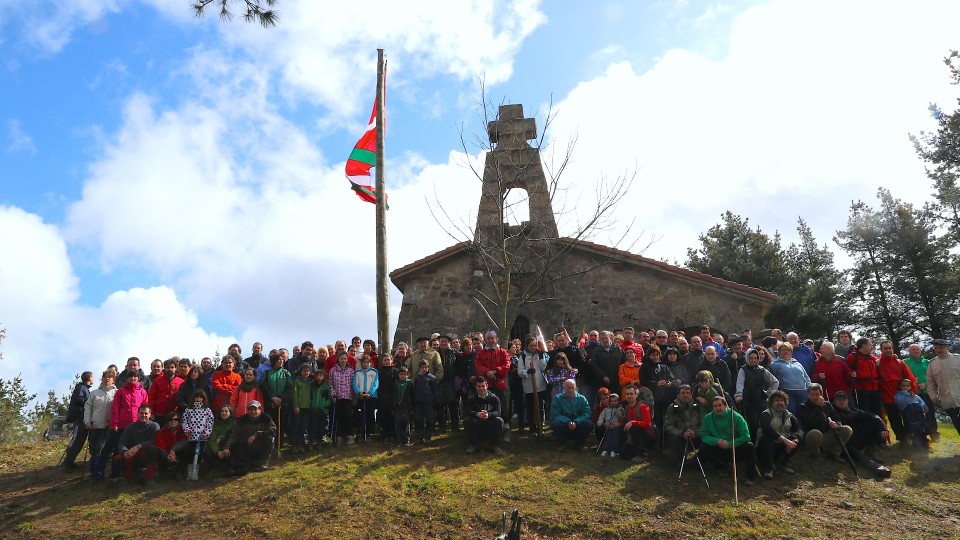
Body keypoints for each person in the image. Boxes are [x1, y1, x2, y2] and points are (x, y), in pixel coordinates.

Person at [831, 391, 892, 479]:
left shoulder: (854, 411)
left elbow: (873, 416)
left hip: (858, 440)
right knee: (856, 454)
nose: (841, 402)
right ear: (835, 401)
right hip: (846, 445)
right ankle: (876, 468)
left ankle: (870, 452)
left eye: (843, 400)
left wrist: (883, 428)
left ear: (847, 401)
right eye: (839, 400)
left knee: (872, 423)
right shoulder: (832, 412)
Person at [699, 396, 757, 486]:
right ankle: (720, 467)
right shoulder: (708, 418)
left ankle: (750, 477)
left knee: (749, 446)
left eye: (720, 405)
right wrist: (716, 441)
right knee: (704, 446)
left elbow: (746, 436)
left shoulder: (736, 417)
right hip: (718, 447)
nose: (718, 408)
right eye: (715, 406)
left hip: (735, 448)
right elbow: (704, 435)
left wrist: (730, 444)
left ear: (725, 405)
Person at [797, 383, 852, 460]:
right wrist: (818, 407)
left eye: (817, 394)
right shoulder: (803, 406)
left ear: (821, 394)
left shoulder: (827, 404)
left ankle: (833, 453)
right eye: (812, 394)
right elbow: (809, 423)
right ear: (808, 394)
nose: (814, 397)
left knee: (847, 429)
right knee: (814, 433)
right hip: (812, 436)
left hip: (827, 435)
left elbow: (837, 418)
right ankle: (815, 453)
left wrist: (836, 424)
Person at [735, 348, 779, 442]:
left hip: (761, 400)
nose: (754, 360)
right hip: (748, 401)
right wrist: (739, 395)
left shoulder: (762, 369)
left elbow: (775, 382)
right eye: (751, 358)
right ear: (747, 358)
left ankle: (765, 444)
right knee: (753, 425)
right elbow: (740, 384)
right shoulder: (743, 370)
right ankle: (752, 444)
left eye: (755, 358)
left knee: (765, 424)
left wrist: (768, 393)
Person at [877, 340, 917, 445]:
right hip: (887, 397)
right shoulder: (877, 363)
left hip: (903, 396)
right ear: (881, 350)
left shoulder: (899, 362)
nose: (888, 350)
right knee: (895, 420)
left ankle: (912, 437)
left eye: (890, 348)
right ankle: (903, 440)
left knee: (909, 417)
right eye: (885, 348)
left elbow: (909, 377)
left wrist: (913, 390)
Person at [474, 330, 511, 440]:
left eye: (492, 338)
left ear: (496, 339)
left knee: (502, 407)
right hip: (486, 386)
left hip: (499, 385)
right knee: (487, 408)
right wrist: (486, 372)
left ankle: (506, 429)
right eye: (488, 338)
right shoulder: (481, 353)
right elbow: (478, 365)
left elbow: (507, 365)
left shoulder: (503, 352)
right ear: (485, 339)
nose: (490, 340)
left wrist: (495, 371)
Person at [757, 391, 802, 479]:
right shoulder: (766, 414)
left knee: (796, 439)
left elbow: (799, 430)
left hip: (781, 445)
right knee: (767, 439)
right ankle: (768, 469)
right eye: (777, 401)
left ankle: (784, 463)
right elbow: (767, 429)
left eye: (782, 400)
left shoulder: (789, 415)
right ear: (771, 403)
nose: (780, 403)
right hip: (766, 447)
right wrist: (785, 440)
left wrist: (795, 440)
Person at [112, 404, 160, 485]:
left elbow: (154, 440)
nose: (143, 415)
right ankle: (130, 477)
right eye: (141, 413)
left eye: (146, 413)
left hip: (146, 453)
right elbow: (122, 443)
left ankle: (149, 478)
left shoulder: (154, 426)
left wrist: (139, 446)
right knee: (117, 459)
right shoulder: (130, 427)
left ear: (150, 415)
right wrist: (125, 452)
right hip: (132, 454)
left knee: (153, 449)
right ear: (137, 414)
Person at [226, 400, 277, 474]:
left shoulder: (266, 418)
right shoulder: (242, 419)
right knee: (237, 443)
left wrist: (257, 435)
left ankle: (263, 463)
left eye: (255, 409)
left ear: (260, 409)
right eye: (251, 409)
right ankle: (245, 464)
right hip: (248, 446)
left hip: (262, 446)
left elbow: (272, 431)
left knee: (270, 439)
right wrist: (226, 447)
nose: (253, 411)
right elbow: (234, 434)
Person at [84, 371, 118, 480]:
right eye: (105, 377)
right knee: (94, 450)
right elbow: (88, 407)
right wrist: (87, 421)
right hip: (95, 426)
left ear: (113, 379)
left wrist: (114, 423)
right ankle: (93, 472)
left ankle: (99, 473)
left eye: (109, 377)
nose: (107, 379)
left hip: (108, 427)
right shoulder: (94, 393)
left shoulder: (117, 393)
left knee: (103, 450)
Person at [903, 343, 938, 441]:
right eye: (913, 349)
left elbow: (935, 378)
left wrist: (925, 384)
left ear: (921, 350)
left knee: (929, 413)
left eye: (917, 349)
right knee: (913, 415)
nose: (915, 351)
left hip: (926, 392)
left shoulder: (927, 362)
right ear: (909, 351)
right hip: (911, 394)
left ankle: (933, 434)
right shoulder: (904, 362)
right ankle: (916, 436)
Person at [663, 384, 705, 460]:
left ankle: (700, 459)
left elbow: (704, 423)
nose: (685, 395)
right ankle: (681, 459)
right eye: (683, 393)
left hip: (696, 435)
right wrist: (682, 433)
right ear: (678, 395)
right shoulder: (672, 408)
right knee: (673, 440)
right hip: (680, 437)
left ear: (691, 394)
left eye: (687, 393)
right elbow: (668, 426)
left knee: (707, 441)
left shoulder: (698, 406)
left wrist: (695, 432)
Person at [927, 338, 960, 436]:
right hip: (948, 401)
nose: (938, 350)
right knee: (958, 425)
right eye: (936, 348)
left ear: (947, 347)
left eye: (940, 347)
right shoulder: (932, 364)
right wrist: (933, 396)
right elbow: (930, 383)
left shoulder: (957, 359)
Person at [62, 371, 94, 471]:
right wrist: (90, 401)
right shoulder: (81, 388)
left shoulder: (84, 388)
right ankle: (68, 462)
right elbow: (78, 399)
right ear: (89, 378)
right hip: (79, 417)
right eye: (93, 377)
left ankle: (70, 461)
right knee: (77, 440)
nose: (93, 379)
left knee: (80, 440)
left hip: (81, 417)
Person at [550, 379, 593, 451]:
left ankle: (579, 444)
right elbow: (555, 414)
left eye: (572, 388)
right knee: (555, 424)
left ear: (576, 388)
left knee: (589, 424)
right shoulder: (558, 398)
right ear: (564, 388)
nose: (570, 390)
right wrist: (568, 421)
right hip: (564, 425)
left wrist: (576, 421)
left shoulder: (582, 398)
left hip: (578, 424)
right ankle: (563, 443)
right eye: (568, 388)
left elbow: (587, 413)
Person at [464, 377, 504, 455]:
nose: (481, 388)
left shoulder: (494, 398)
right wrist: (476, 414)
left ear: (487, 385)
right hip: (477, 422)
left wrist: (489, 414)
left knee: (499, 420)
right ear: (475, 387)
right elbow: (467, 412)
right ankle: (473, 444)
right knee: (467, 420)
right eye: (479, 386)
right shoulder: (471, 399)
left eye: (483, 386)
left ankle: (495, 445)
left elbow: (498, 412)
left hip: (490, 421)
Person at [260, 351, 292, 446]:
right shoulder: (267, 373)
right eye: (279, 359)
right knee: (270, 424)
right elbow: (263, 386)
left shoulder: (286, 373)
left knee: (281, 425)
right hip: (270, 404)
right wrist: (272, 397)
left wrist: (281, 398)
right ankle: (270, 444)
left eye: (283, 359)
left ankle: (279, 444)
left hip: (283, 404)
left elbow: (290, 387)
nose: (282, 361)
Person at [769, 343, 811, 415]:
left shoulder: (797, 363)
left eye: (788, 350)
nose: (786, 352)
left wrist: (809, 387)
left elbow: (806, 376)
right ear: (779, 352)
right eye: (783, 350)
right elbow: (772, 380)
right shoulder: (774, 364)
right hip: (788, 392)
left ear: (791, 352)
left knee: (806, 413)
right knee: (792, 413)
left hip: (803, 391)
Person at [847, 337, 882, 418]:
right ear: (863, 345)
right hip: (861, 389)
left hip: (874, 388)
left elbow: (880, 361)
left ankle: (879, 429)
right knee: (864, 412)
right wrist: (851, 374)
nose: (872, 347)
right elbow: (846, 371)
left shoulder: (872, 357)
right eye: (870, 345)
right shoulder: (852, 357)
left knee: (877, 412)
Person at [110, 370, 149, 443]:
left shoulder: (143, 392)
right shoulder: (120, 391)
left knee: (135, 445)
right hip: (122, 424)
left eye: (135, 376)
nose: (133, 378)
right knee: (121, 445)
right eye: (130, 376)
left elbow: (145, 408)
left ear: (138, 378)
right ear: (127, 378)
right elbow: (115, 407)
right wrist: (114, 423)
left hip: (137, 423)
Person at [895, 379, 930, 451]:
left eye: (907, 386)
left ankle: (924, 445)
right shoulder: (899, 395)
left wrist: (924, 406)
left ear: (910, 386)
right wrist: (906, 394)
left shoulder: (914, 395)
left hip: (919, 416)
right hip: (908, 416)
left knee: (921, 430)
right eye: (903, 386)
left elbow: (921, 401)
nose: (905, 388)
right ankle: (914, 445)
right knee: (911, 430)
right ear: (900, 387)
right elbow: (899, 403)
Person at [329, 351, 355, 445]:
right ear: (338, 359)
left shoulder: (351, 370)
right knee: (339, 417)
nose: (343, 360)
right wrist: (333, 394)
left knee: (348, 416)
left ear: (347, 359)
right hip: (338, 397)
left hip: (347, 397)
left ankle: (350, 436)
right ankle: (339, 437)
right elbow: (330, 383)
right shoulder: (333, 370)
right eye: (341, 358)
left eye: (345, 358)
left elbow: (353, 384)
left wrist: (354, 397)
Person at [436, 335, 461, 432]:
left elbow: (459, 365)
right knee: (440, 405)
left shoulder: (454, 353)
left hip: (451, 382)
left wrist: (455, 375)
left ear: (448, 342)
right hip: (440, 382)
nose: (443, 343)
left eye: (445, 341)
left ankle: (455, 426)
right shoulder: (435, 353)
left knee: (453, 404)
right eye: (442, 341)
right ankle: (442, 426)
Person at [354, 354, 379, 442]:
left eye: (368, 362)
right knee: (360, 415)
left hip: (371, 397)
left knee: (370, 415)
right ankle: (360, 433)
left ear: (370, 363)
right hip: (361, 396)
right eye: (364, 362)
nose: (366, 364)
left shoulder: (374, 371)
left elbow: (375, 384)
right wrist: (358, 392)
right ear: (361, 363)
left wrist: (370, 393)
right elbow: (355, 384)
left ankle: (370, 433)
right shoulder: (357, 372)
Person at [289, 363, 314, 453]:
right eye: (304, 371)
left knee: (303, 426)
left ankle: (300, 443)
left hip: (307, 408)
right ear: (300, 372)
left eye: (307, 371)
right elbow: (294, 394)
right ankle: (293, 444)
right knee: (296, 425)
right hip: (298, 407)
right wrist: (296, 406)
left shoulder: (310, 382)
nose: (306, 373)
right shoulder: (297, 381)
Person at [590, 331, 624, 396]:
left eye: (606, 338)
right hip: (602, 381)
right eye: (602, 339)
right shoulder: (596, 351)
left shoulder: (618, 349)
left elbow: (623, 363)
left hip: (616, 381)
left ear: (610, 338)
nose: (604, 340)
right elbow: (594, 366)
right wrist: (603, 376)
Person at [413, 359, 439, 444]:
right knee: (418, 420)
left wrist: (434, 402)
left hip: (429, 402)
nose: (424, 369)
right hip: (419, 402)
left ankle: (428, 436)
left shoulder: (432, 378)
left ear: (428, 367)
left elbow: (435, 391)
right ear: (419, 368)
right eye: (422, 367)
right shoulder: (417, 378)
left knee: (430, 420)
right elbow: (415, 389)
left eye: (425, 367)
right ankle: (419, 437)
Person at [204, 404, 236, 473]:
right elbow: (211, 440)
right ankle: (214, 466)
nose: (223, 413)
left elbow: (233, 435)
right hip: (217, 448)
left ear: (230, 413)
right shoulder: (215, 423)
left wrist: (221, 437)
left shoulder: (234, 423)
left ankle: (230, 467)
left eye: (226, 411)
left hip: (227, 447)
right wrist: (217, 451)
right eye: (222, 411)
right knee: (205, 450)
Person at [308, 369, 331, 449]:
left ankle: (319, 441)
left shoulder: (326, 386)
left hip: (322, 410)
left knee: (321, 426)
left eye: (321, 376)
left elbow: (328, 398)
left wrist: (325, 405)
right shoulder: (312, 385)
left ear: (324, 377)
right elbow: (309, 396)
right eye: (317, 375)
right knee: (312, 425)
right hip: (313, 410)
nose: (319, 377)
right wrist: (310, 404)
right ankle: (311, 441)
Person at [596, 393, 624, 457]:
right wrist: (600, 422)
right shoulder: (606, 409)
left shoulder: (620, 409)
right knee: (607, 438)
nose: (613, 402)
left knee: (615, 438)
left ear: (618, 401)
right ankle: (606, 449)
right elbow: (602, 416)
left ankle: (613, 450)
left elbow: (622, 417)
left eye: (615, 401)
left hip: (616, 427)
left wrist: (617, 412)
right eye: (611, 401)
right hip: (608, 426)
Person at [377, 354, 397, 444]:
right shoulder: (379, 372)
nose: (386, 361)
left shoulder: (396, 371)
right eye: (385, 360)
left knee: (392, 417)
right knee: (383, 417)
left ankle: (393, 435)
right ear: (382, 361)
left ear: (391, 360)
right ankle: (385, 436)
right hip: (382, 398)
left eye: (388, 360)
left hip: (393, 398)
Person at [394, 366, 414, 447]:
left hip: (406, 407)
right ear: (398, 375)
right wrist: (393, 406)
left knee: (406, 423)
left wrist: (412, 407)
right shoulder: (396, 384)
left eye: (404, 374)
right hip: (398, 407)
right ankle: (398, 440)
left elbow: (412, 396)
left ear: (407, 375)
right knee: (398, 422)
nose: (402, 376)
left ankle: (406, 441)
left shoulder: (409, 384)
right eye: (401, 374)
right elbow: (394, 396)